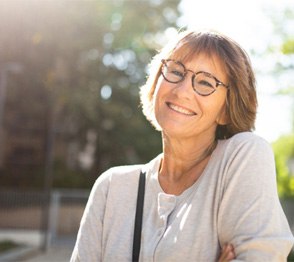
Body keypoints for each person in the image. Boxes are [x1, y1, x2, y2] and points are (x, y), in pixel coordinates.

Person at [71, 30, 294, 261]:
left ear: (226, 110)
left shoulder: (244, 156)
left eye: (206, 82)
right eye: (175, 71)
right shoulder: (111, 188)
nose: (182, 90)